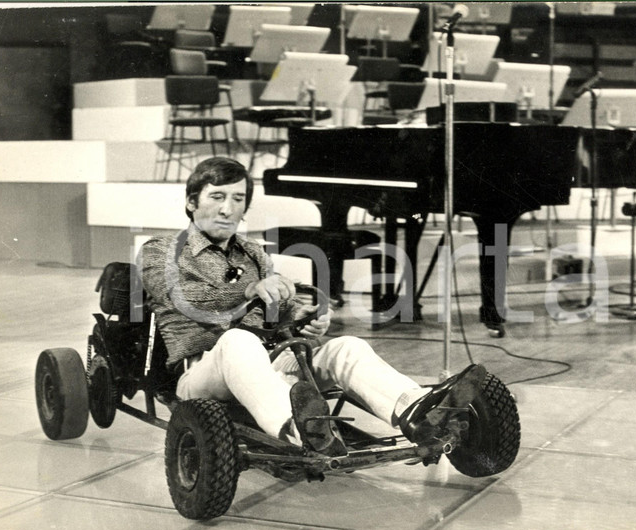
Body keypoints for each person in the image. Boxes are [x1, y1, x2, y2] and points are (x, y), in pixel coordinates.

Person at [140, 157, 484, 456]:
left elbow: (276, 310)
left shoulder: (253, 253)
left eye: (237, 199)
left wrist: (305, 320)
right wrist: (249, 289)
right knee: (237, 342)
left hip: (269, 366)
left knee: (346, 347)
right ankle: (295, 428)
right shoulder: (162, 249)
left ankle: (415, 412)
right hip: (201, 373)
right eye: (216, 197)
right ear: (191, 202)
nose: (227, 209)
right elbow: (181, 297)